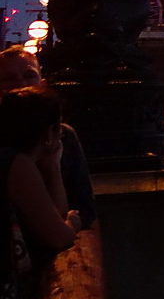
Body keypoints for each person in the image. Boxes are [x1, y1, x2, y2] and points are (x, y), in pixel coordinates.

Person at [0, 86, 82, 296]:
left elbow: (54, 214)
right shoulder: (15, 164)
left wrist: (53, 166)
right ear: (49, 132)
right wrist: (72, 223)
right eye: (58, 129)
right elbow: (58, 236)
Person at [0, 48, 94, 228]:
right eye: (9, 78)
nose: (21, 83)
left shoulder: (64, 135)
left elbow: (85, 207)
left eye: (29, 75)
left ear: (42, 84)